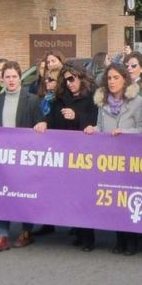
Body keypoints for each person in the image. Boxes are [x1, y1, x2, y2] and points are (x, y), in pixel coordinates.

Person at [0, 61, 47, 254]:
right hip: (2, 158)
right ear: (2, 78)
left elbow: (40, 121)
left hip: (24, 158)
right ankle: (1, 235)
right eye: (7, 77)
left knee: (24, 194)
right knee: (2, 194)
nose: (11, 80)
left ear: (20, 78)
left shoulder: (32, 100)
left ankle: (26, 231)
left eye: (14, 76)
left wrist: (41, 125)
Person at [84, 63, 142, 255]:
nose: (112, 82)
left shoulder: (137, 102)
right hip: (110, 158)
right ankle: (120, 239)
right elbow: (100, 127)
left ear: (124, 79)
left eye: (116, 78)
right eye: (109, 78)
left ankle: (132, 240)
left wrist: (125, 132)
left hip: (131, 157)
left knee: (128, 198)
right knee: (116, 199)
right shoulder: (102, 104)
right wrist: (92, 129)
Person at [46, 64, 98, 248]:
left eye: (72, 79)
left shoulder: (92, 98)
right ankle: (77, 230)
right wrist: (43, 124)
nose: (69, 83)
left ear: (81, 78)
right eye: (65, 79)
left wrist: (76, 117)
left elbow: (96, 123)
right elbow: (51, 121)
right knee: (72, 196)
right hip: (65, 155)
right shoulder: (60, 100)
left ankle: (88, 237)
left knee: (85, 196)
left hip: (85, 155)